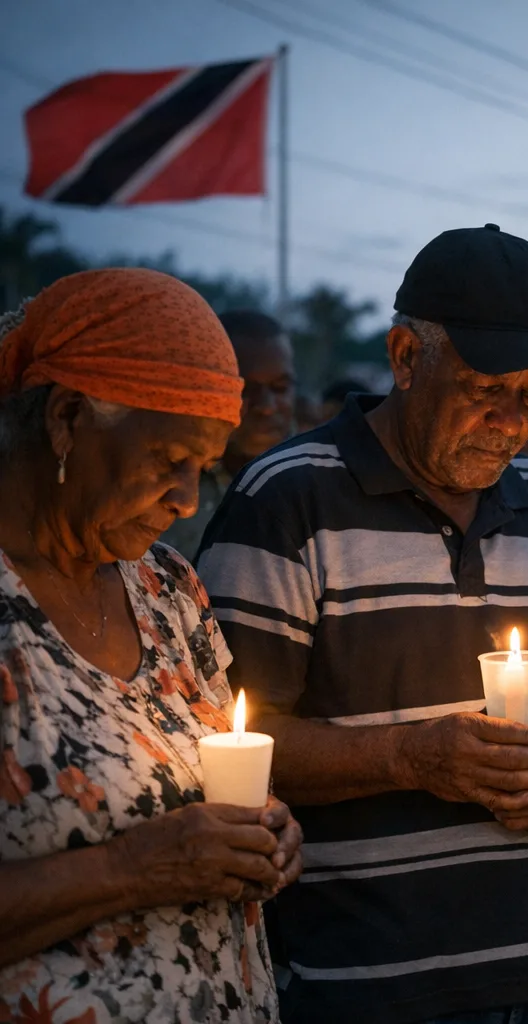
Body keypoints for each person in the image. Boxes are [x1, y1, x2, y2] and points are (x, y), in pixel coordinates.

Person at [196, 224, 528, 1024]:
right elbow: (226, 740)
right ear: (406, 357)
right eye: (485, 387)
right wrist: (411, 756)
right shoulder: (288, 497)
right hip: (375, 983)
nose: (511, 421)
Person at [0, 269, 302, 1021]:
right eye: (171, 459)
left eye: (204, 466)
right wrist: (135, 870)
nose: (189, 499)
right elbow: (153, 851)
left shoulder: (167, 587)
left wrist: (266, 825)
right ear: (68, 419)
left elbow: (207, 769)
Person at [162, 310, 296, 560]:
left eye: (280, 388)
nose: (267, 406)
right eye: (246, 389)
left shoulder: (316, 476)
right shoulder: (168, 481)